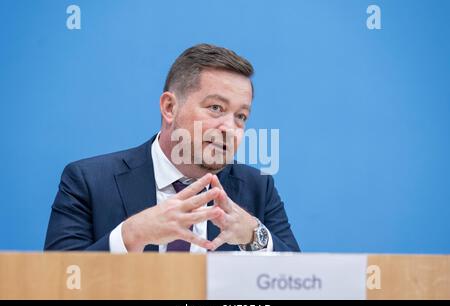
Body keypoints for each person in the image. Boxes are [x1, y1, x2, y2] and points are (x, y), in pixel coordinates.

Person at [44, 44, 300, 253]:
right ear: (169, 108)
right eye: (215, 108)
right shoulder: (88, 181)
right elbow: (56, 285)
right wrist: (131, 235)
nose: (230, 128)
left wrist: (254, 236)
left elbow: (299, 285)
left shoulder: (258, 187)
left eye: (241, 116)